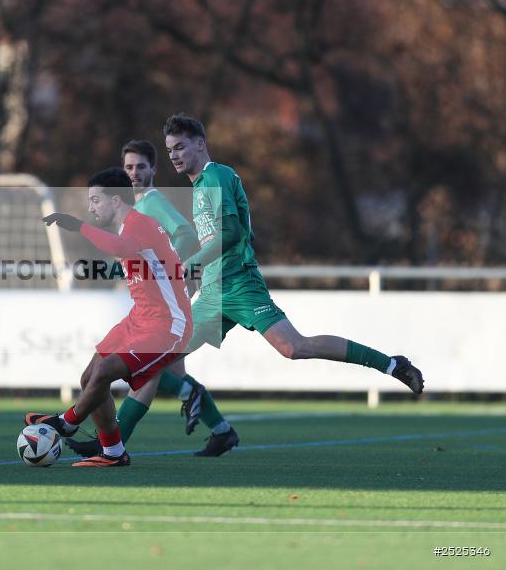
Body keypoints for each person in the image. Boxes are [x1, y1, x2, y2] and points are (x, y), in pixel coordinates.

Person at [163, 113, 424, 418]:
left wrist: (189, 264)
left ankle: (392, 364)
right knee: (162, 358)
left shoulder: (216, 176)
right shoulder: (200, 187)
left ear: (200, 143)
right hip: (212, 292)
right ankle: (195, 428)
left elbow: (232, 233)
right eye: (169, 151)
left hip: (239, 286)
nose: (174, 156)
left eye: (180, 147)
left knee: (294, 347)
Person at [67, 140, 239, 458]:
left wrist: (180, 272)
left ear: (153, 170)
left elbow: (185, 235)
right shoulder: (129, 208)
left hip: (170, 303)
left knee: (147, 373)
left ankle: (113, 443)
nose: (134, 173)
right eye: (129, 167)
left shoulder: (150, 204)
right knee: (157, 373)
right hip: (151, 303)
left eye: (141, 167)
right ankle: (219, 428)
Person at [28, 167, 192, 467]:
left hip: (168, 325)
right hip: (140, 318)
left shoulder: (138, 223)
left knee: (105, 371)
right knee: (90, 377)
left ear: (116, 201)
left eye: (95, 200)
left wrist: (79, 226)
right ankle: (113, 452)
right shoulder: (130, 225)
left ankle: (67, 422)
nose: (90, 207)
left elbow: (122, 248)